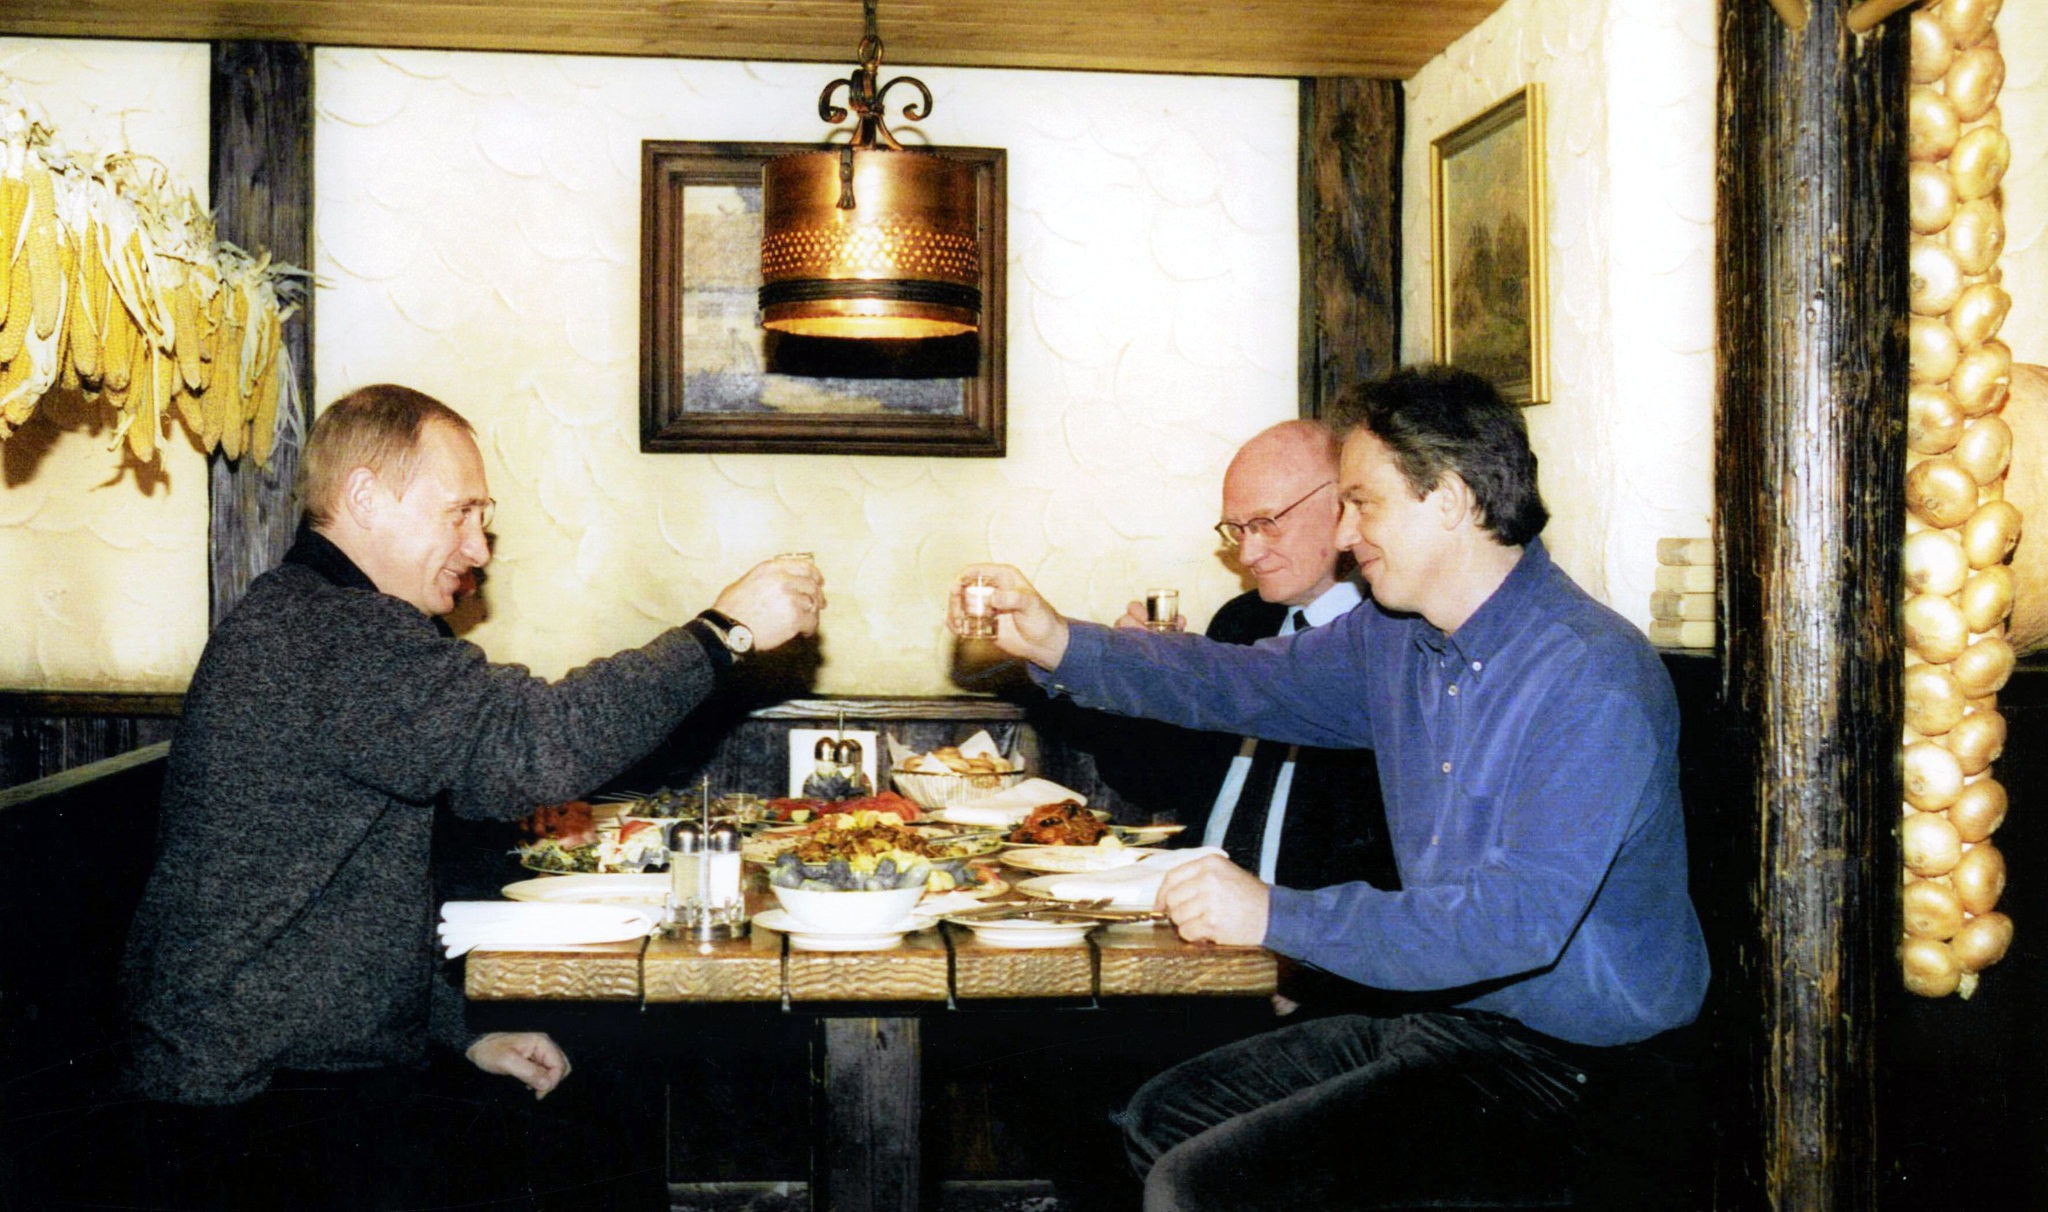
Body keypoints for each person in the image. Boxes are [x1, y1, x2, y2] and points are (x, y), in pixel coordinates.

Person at [950, 366, 1710, 1210]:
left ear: (1451, 499)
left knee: (1202, 1185)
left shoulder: (1589, 676)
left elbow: (1512, 926)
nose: (1345, 536)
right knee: (1159, 1117)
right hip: (1452, 1026)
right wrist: (1059, 641)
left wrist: (1275, 914)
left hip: (1581, 1074)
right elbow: (1234, 683)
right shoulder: (1397, 638)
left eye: (1363, 503)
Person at [114, 383, 824, 1208]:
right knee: (605, 1136)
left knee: (603, 1112)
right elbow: (534, 744)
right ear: (365, 498)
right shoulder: (335, 633)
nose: (481, 548)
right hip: (248, 1109)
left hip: (279, 1066)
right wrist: (721, 633)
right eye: (461, 513)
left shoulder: (314, 620)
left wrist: (462, 1034)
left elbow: (348, 908)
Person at [1069, 419, 1399, 894]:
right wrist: (1141, 680)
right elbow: (1150, 785)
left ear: (1342, 504)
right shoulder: (1242, 622)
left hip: (1315, 941)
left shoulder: (1392, 641)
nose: (1248, 554)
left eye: (1266, 524)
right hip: (1196, 920)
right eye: (1237, 530)